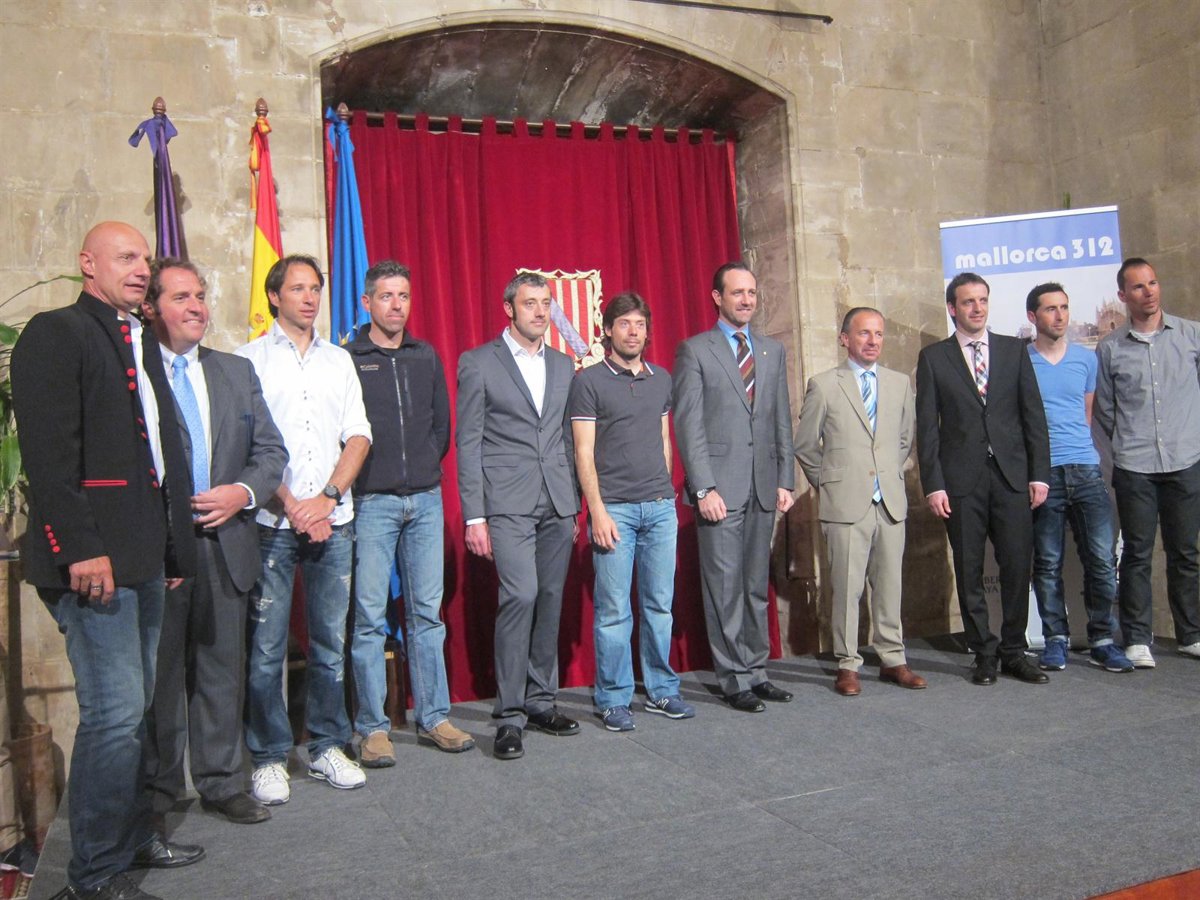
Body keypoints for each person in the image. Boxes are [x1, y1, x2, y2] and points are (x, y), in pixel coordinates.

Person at [12, 222, 202, 899]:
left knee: (137, 712)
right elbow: (49, 457)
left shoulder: (139, 339)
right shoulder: (57, 333)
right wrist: (81, 549)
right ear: (87, 264)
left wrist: (171, 548)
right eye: (125, 257)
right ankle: (94, 875)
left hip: (142, 559)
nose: (140, 267)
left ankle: (132, 837)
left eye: (144, 257)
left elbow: (157, 455)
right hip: (93, 563)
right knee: (115, 715)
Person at [140, 259, 288, 826]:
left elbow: (271, 452)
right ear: (151, 308)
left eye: (200, 295)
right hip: (159, 551)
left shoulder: (234, 370)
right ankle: (158, 796)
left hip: (227, 543)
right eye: (181, 297)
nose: (197, 307)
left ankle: (223, 782)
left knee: (222, 672)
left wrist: (242, 493)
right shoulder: (137, 370)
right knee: (160, 680)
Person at [235, 254, 372, 804]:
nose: (310, 297)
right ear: (274, 297)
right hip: (272, 521)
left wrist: (326, 499)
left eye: (315, 288)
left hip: (333, 521)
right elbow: (246, 447)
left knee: (329, 642)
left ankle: (326, 746)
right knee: (266, 647)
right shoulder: (246, 361)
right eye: (298, 288)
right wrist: (294, 505)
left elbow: (358, 435)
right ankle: (269, 756)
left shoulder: (339, 360)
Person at [347, 261, 474, 764]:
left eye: (403, 295)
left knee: (426, 614)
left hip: (424, 499)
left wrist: (420, 468)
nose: (396, 304)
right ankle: (372, 727)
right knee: (369, 617)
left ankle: (435, 716)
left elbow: (441, 427)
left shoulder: (425, 356)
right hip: (371, 501)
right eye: (386, 296)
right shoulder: (349, 358)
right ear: (367, 303)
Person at [456, 272, 581, 760]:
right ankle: (509, 715)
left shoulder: (563, 365)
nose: (540, 311)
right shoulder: (478, 362)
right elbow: (468, 442)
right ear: (509, 308)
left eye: (546, 303)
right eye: (530, 303)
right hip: (506, 502)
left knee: (549, 598)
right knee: (521, 595)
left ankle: (541, 701)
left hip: (557, 501)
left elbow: (567, 439)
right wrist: (474, 516)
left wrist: (573, 502)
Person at [916, 272, 1051, 686]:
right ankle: (984, 653)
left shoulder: (1014, 350)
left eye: (982, 300)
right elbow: (928, 428)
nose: (977, 308)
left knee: (1017, 566)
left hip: (1012, 477)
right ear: (952, 308)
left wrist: (1039, 475)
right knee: (969, 568)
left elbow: (1033, 416)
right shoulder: (934, 358)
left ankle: (1014, 651)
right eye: (968, 301)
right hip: (961, 481)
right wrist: (934, 484)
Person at [673, 262, 796, 713]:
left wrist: (785, 479)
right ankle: (733, 678)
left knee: (755, 586)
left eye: (752, 292)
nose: (746, 300)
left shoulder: (771, 350)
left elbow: (781, 418)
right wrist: (703, 488)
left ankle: (757, 671)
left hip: (763, 485)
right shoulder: (695, 350)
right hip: (720, 492)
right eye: (737, 292)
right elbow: (688, 425)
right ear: (717, 298)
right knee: (724, 589)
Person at [569, 292, 695, 732]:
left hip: (659, 508)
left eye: (640, 324)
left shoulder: (661, 379)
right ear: (608, 330)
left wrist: (665, 493)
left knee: (660, 606)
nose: (633, 332)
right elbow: (583, 452)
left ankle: (662, 690)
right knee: (613, 611)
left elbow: (664, 440)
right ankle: (613, 697)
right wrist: (597, 512)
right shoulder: (589, 382)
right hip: (615, 511)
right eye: (624, 324)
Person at [795, 307, 926, 696]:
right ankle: (848, 663)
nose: (872, 341)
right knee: (847, 588)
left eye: (878, 334)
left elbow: (905, 439)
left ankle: (893, 658)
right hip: (845, 504)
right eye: (864, 333)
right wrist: (831, 484)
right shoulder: (824, 385)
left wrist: (887, 474)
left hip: (890, 502)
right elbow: (805, 445)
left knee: (889, 586)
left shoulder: (899, 384)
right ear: (844, 339)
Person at [1095, 258, 1200, 667]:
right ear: (1123, 295)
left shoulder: (1191, 336)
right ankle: (1137, 638)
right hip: (1135, 465)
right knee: (1137, 553)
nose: (1149, 292)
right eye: (1138, 287)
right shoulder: (1110, 348)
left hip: (1185, 460)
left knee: (1185, 552)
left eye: (1153, 283)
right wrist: (1123, 449)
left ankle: (1191, 634)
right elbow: (1106, 410)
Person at [1024, 283, 1133, 673]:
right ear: (1033, 316)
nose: (1060, 315)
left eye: (1064, 307)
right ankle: (1055, 638)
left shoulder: (1087, 360)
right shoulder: (1022, 362)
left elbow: (1086, 415)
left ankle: (1102, 638)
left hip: (1086, 469)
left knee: (1101, 559)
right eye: (1050, 308)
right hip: (1043, 474)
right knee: (1047, 562)